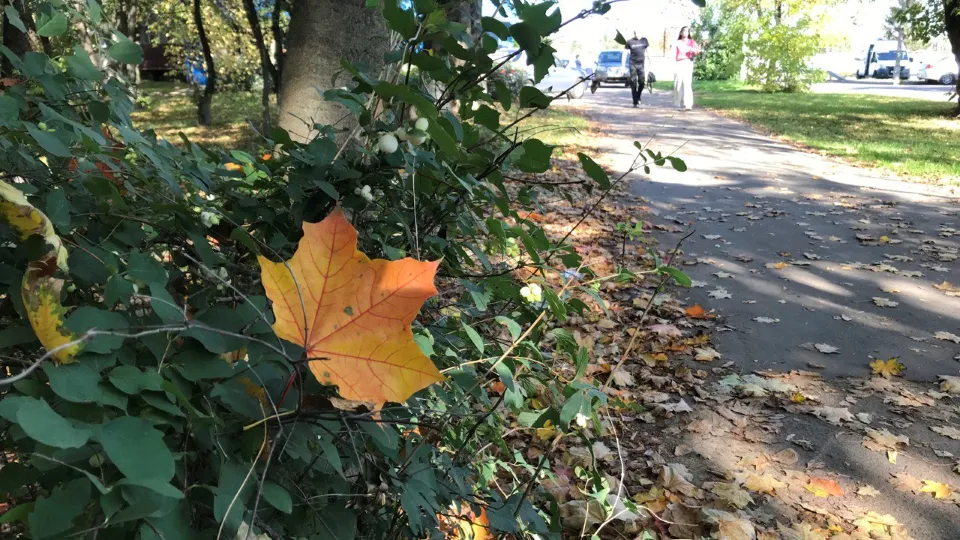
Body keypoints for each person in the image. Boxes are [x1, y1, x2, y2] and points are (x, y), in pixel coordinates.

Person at [671, 26, 701, 111]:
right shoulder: (677, 42)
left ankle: (688, 104)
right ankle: (677, 103)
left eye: (687, 31)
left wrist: (696, 51)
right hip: (679, 63)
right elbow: (673, 54)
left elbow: (697, 51)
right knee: (678, 84)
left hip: (688, 62)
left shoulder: (691, 42)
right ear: (681, 33)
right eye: (684, 31)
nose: (686, 33)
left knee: (687, 83)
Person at [625, 33, 649, 107]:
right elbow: (625, 53)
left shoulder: (644, 40)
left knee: (642, 82)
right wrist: (623, 65)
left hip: (641, 65)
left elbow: (647, 52)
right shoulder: (629, 42)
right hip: (633, 64)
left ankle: (638, 96)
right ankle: (635, 101)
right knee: (633, 82)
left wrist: (650, 62)